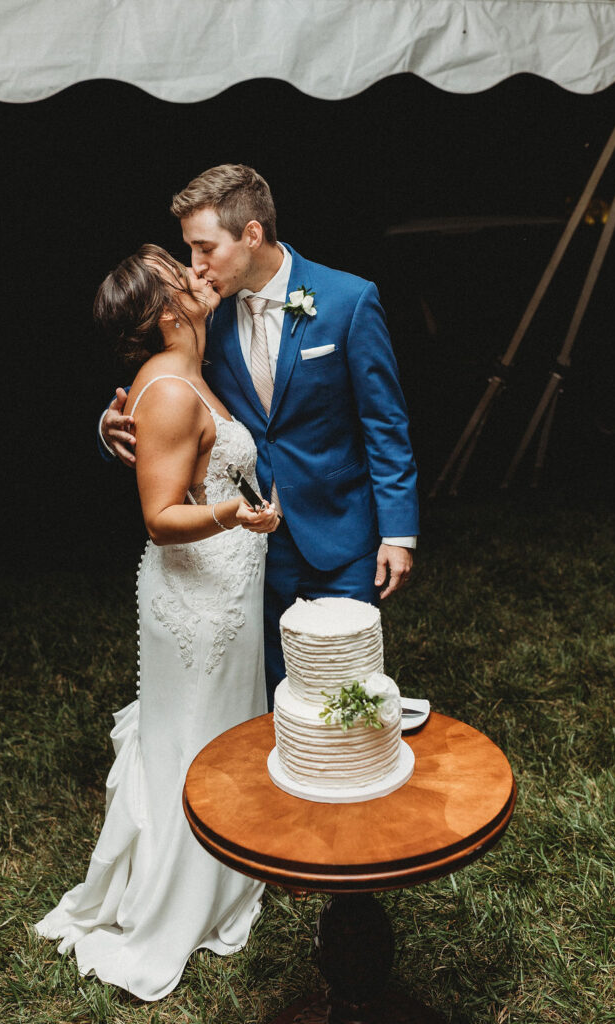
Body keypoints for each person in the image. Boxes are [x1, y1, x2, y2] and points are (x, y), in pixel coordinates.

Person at [36, 245, 279, 1001]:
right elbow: (159, 517)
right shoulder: (171, 389)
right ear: (168, 310)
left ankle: (229, 860)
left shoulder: (184, 372)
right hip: (197, 597)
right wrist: (232, 512)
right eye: (182, 274)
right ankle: (184, 890)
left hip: (221, 592)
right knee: (194, 739)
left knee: (217, 729)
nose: (196, 274)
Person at [101, 165, 420, 706]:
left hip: (340, 533)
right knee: (268, 695)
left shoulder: (349, 300)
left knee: (345, 689)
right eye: (190, 251)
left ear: (251, 234)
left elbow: (384, 424)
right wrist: (109, 425)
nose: (195, 267)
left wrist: (398, 533)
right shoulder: (206, 314)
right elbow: (166, 388)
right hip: (250, 550)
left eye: (205, 248)